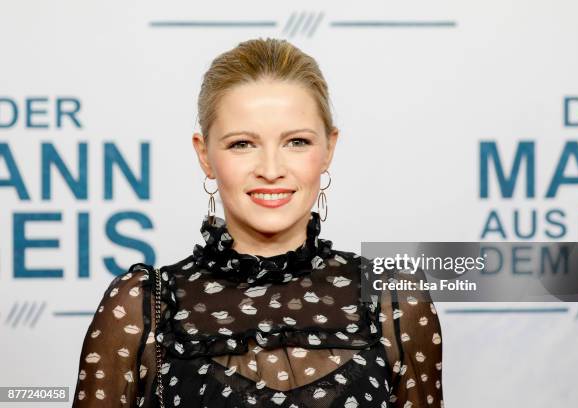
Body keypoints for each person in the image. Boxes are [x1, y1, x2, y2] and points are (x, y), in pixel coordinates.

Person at [72, 37, 444, 408]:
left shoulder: (394, 299)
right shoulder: (143, 305)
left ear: (329, 148)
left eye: (296, 142)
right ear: (204, 154)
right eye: (242, 144)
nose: (270, 170)